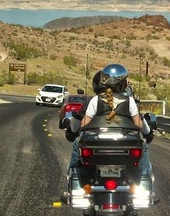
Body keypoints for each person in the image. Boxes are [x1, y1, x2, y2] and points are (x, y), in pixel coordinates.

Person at [62, 64, 155, 202]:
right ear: (121, 83)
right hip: (125, 144)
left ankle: (76, 177)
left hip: (97, 144)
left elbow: (83, 123)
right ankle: (143, 182)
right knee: (144, 146)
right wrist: (148, 134)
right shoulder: (129, 101)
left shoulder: (95, 100)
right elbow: (139, 124)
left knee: (77, 144)